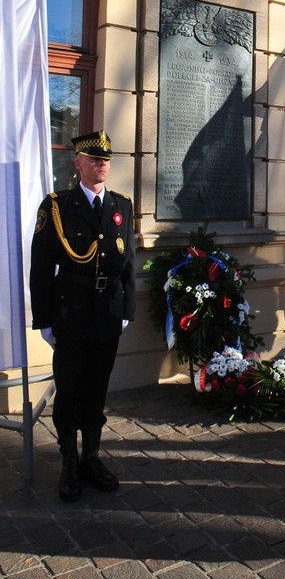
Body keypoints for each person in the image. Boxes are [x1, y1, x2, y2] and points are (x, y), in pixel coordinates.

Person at [30, 131, 136, 502]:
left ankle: (91, 457)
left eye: (106, 159)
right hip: (71, 315)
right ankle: (69, 463)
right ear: (78, 163)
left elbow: (128, 266)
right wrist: (43, 320)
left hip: (107, 315)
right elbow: (41, 268)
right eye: (93, 159)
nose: (101, 165)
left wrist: (127, 311)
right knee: (70, 393)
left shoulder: (122, 205)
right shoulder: (57, 206)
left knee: (96, 392)